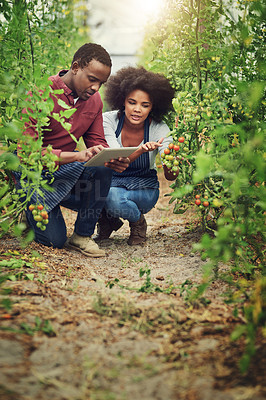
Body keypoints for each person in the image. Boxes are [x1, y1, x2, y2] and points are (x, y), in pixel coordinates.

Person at [14, 43, 130, 257]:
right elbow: (28, 154)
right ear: (75, 67)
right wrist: (76, 155)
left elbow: (96, 142)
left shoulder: (93, 101)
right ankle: (27, 205)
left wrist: (110, 158)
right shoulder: (40, 93)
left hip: (63, 171)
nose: (96, 88)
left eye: (101, 83)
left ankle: (82, 236)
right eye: (92, 79)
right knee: (54, 241)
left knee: (103, 170)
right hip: (34, 173)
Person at [95, 66, 176, 245]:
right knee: (101, 191)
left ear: (153, 107)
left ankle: (136, 222)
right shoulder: (109, 120)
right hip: (114, 183)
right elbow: (117, 160)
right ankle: (110, 220)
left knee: (112, 199)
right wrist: (141, 150)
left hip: (144, 189)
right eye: (132, 102)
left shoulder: (159, 128)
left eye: (145, 105)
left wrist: (174, 159)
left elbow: (171, 175)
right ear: (122, 100)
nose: (137, 109)